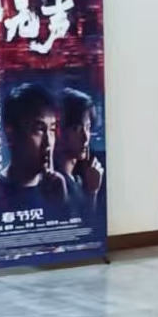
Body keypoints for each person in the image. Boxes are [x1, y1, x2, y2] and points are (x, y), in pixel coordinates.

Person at [0, 83, 70, 218]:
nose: (48, 142)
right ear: (11, 134)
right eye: (39, 129)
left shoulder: (63, 188)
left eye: (52, 129)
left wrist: (62, 207)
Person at [56, 88, 105, 223]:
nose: (86, 137)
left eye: (88, 128)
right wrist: (92, 194)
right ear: (59, 131)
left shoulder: (77, 180)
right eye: (77, 129)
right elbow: (80, 229)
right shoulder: (56, 186)